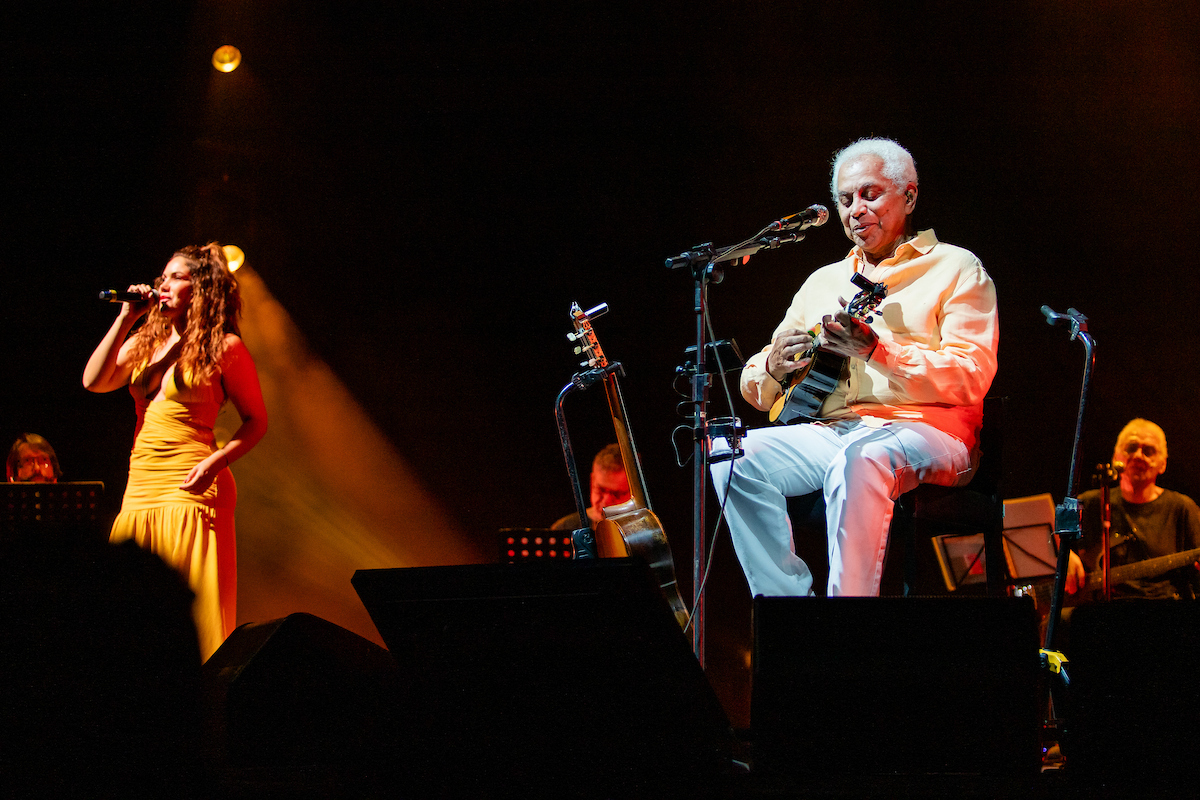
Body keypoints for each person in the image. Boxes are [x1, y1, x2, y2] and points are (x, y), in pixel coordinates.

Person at [710, 138, 999, 597]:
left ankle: (847, 621)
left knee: (859, 458)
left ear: (909, 196)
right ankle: (788, 608)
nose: (856, 209)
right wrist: (775, 367)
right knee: (729, 453)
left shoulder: (956, 268)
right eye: (845, 200)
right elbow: (756, 389)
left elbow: (971, 376)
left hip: (932, 431)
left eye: (870, 194)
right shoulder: (823, 282)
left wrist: (879, 353)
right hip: (838, 428)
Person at [83, 243, 268, 660]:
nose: (162, 285)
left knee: (194, 622)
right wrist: (126, 316)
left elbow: (257, 420)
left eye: (175, 277)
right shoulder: (147, 341)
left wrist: (214, 462)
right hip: (141, 490)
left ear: (201, 288)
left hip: (192, 488)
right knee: (129, 619)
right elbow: (94, 381)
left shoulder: (224, 347)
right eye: (161, 277)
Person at [1066, 419, 1200, 600]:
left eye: (1148, 451)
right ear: (1116, 457)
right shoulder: (1089, 502)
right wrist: (1062, 556)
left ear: (1163, 464)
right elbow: (1049, 532)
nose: (1138, 455)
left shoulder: (1182, 507)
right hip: (1098, 609)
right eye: (1131, 448)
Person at [550, 443, 631, 530]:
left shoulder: (645, 529)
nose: (605, 502)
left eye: (616, 494)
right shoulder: (565, 528)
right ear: (592, 481)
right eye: (600, 490)